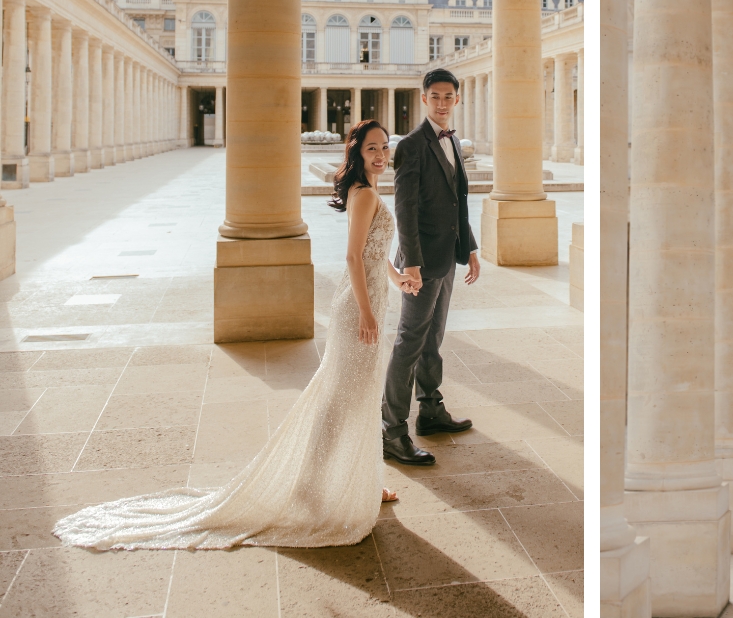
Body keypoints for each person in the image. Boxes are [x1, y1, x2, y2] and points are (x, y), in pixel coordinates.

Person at [53, 121, 416, 550]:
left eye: (383, 147)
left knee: (359, 396)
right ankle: (309, 488)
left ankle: (362, 482)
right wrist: (368, 313)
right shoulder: (367, 194)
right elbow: (354, 257)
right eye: (371, 147)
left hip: (365, 304)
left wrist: (396, 280)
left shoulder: (367, 192)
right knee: (342, 400)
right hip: (358, 311)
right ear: (357, 152)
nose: (379, 154)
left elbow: (374, 256)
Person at [381, 68, 479, 466]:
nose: (441, 103)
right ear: (424, 99)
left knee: (433, 337)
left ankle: (431, 410)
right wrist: (413, 264)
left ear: (457, 99)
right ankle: (391, 429)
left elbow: (459, 200)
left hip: (448, 256)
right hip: (421, 263)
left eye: (448, 97)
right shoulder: (411, 145)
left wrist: (469, 247)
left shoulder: (453, 141)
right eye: (434, 97)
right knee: (410, 341)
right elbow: (405, 210)